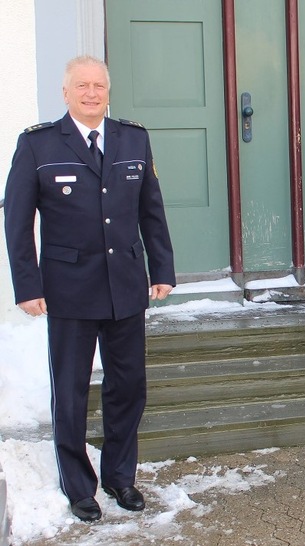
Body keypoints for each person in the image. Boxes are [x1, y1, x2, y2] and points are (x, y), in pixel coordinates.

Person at [4, 56, 176, 521]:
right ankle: (79, 485)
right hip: (68, 291)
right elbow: (17, 221)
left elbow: (151, 212)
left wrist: (161, 269)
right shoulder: (38, 144)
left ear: (108, 91)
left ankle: (120, 477)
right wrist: (27, 285)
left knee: (128, 387)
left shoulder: (133, 138)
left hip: (125, 287)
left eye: (99, 85)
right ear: (65, 93)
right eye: (81, 86)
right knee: (72, 389)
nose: (91, 93)